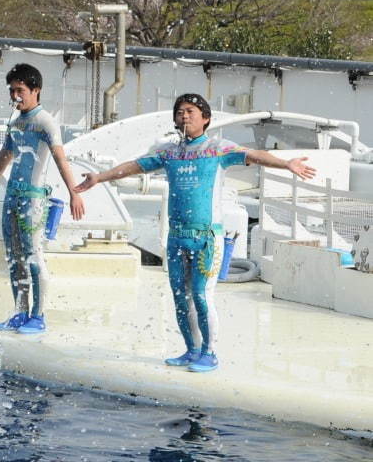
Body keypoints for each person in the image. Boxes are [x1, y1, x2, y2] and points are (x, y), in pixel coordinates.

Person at [77, 93, 316, 373]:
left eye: (190, 111)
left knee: (201, 295)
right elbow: (134, 166)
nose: (184, 116)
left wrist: (286, 164)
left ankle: (210, 352)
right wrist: (99, 177)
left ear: (206, 119)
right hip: (177, 236)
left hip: (206, 237)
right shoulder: (170, 152)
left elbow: (254, 155)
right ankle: (191, 350)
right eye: (180, 111)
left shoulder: (217, 149)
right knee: (180, 296)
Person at [0, 63, 86, 335]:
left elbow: (59, 158)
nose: (15, 96)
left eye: (20, 90)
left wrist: (73, 192)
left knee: (34, 255)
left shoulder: (45, 121)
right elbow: (1, 160)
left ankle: (39, 315)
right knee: (13, 256)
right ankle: (20, 312)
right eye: (12, 91)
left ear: (36, 90)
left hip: (33, 199)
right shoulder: (16, 122)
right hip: (12, 196)